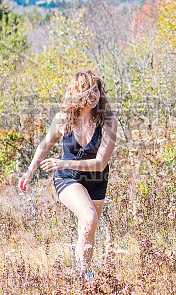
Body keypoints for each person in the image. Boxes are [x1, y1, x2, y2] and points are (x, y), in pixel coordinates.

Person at [18, 70, 118, 281]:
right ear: (76, 94)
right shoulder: (63, 119)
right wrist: (29, 171)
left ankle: (83, 273)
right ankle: (86, 275)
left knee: (88, 227)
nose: (94, 96)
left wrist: (62, 161)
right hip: (68, 179)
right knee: (89, 217)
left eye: (96, 90)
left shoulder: (108, 121)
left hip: (97, 180)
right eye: (88, 92)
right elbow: (45, 145)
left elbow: (100, 164)